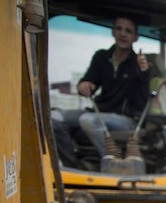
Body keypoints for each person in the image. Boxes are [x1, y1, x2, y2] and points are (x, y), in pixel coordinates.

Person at [52, 16, 152, 161]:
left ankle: (113, 162)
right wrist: (84, 86)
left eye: (128, 31)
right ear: (113, 32)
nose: (123, 34)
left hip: (126, 119)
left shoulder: (139, 63)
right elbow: (88, 82)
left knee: (88, 120)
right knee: (54, 117)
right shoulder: (101, 57)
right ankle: (72, 165)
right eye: (119, 29)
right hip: (99, 112)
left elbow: (144, 79)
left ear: (135, 37)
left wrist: (144, 70)